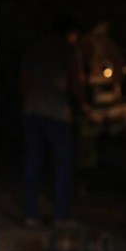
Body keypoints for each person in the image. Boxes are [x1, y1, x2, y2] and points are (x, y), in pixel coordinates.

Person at [20, 15, 88, 228]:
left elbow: (24, 81)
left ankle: (30, 215)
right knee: (62, 165)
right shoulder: (69, 50)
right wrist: (83, 105)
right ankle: (60, 216)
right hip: (57, 114)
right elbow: (76, 82)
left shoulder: (36, 49)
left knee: (33, 162)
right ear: (71, 33)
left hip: (33, 110)